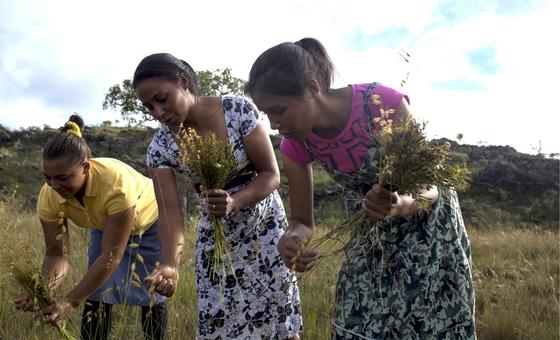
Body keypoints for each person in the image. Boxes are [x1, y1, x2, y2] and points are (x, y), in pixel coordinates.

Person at [245, 37, 476, 339]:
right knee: (359, 322)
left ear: (312, 88)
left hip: (427, 230)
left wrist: (399, 205)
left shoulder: (384, 105)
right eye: (267, 114)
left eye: (279, 110)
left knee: (429, 322)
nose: (274, 124)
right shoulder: (295, 145)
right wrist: (291, 239)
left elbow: (429, 186)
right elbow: (302, 221)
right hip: (371, 235)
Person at [132, 53, 302, 339]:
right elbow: (171, 213)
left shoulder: (236, 110)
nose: (159, 112)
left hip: (264, 228)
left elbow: (271, 175)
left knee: (279, 322)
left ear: (183, 82)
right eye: (149, 107)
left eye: (162, 99)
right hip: (217, 236)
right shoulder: (159, 148)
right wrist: (171, 264)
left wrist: (235, 201)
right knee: (218, 323)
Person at [14, 114, 168, 340]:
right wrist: (43, 288)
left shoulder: (115, 184)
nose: (54, 186)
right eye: (48, 178)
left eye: (63, 178)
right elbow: (57, 254)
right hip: (106, 224)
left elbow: (111, 257)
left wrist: (69, 301)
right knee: (96, 293)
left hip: (150, 221)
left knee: (152, 293)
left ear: (85, 168)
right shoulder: (49, 196)